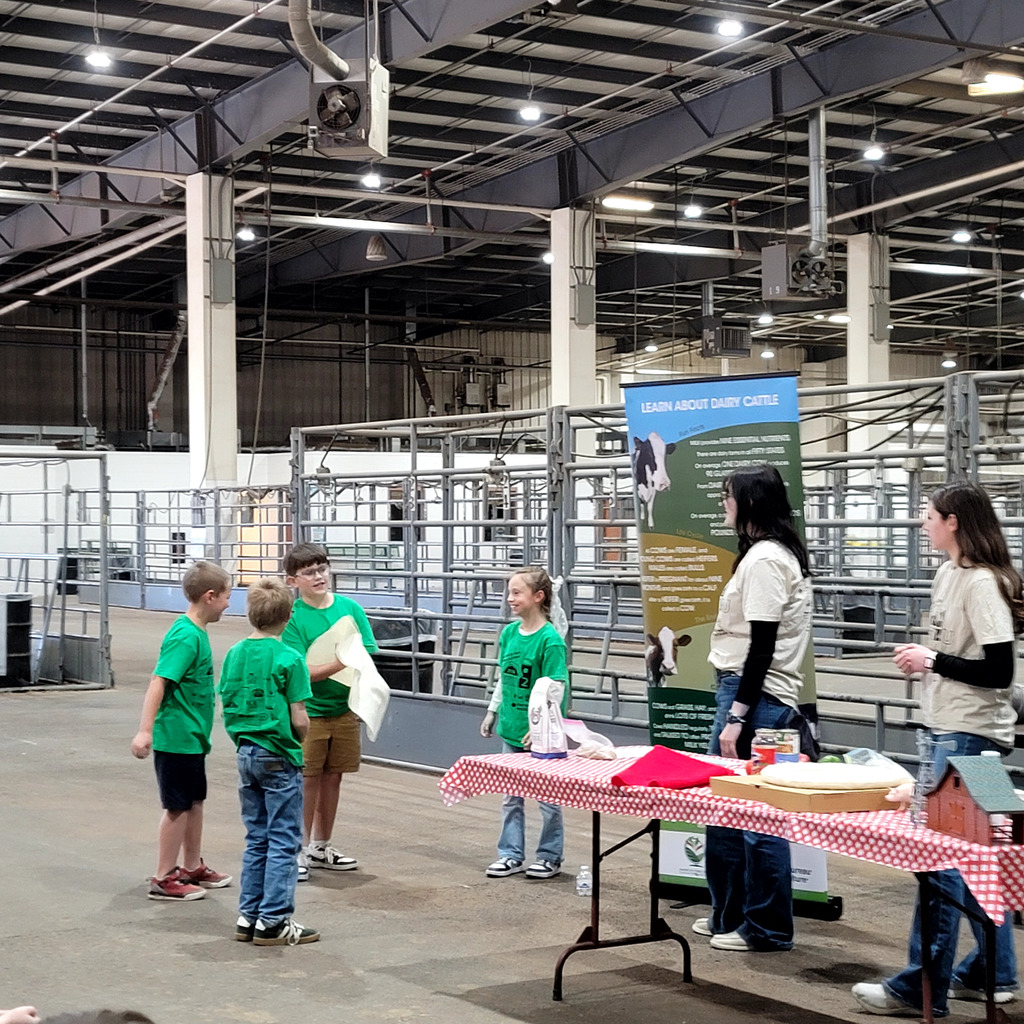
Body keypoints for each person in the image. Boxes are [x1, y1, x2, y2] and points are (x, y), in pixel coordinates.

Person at [853, 481, 1022, 1017]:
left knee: (942, 863)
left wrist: (933, 662)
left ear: (953, 521)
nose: (921, 524)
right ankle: (993, 972)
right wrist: (926, 662)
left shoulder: (980, 583)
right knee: (976, 860)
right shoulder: (948, 574)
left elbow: (999, 670)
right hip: (955, 732)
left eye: (928, 515)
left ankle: (919, 988)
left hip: (970, 739)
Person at [695, 464, 813, 952]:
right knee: (728, 810)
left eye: (728, 496)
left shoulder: (766, 559)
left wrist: (738, 713)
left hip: (758, 700)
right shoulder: (765, 555)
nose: (723, 504)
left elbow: (762, 646)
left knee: (757, 817)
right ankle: (731, 916)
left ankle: (765, 927)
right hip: (750, 694)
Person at [218, 578, 319, 946]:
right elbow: (300, 717)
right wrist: (298, 743)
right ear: (290, 616)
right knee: (284, 839)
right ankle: (275, 918)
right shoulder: (290, 658)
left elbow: (228, 701)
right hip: (278, 753)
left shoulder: (233, 654)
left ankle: (249, 914)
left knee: (257, 835)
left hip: (245, 751)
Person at [130, 560, 233, 900]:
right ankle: (163, 876)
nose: (229, 603)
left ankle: (191, 866)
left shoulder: (198, 632)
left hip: (193, 739)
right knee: (177, 808)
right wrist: (145, 731)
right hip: (176, 738)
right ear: (210, 596)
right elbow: (158, 682)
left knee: (195, 801)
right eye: (227, 596)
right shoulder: (185, 637)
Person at [281, 543, 379, 881]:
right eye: (309, 572)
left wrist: (351, 664)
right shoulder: (293, 618)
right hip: (310, 712)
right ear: (293, 581)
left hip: (345, 708)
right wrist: (342, 661)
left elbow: (366, 651)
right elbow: (300, 669)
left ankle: (321, 846)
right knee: (307, 778)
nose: (319, 576)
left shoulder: (350, 608)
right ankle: (297, 849)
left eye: (322, 568)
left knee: (334, 775)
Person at [480, 566, 570, 880]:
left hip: (541, 736)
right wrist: (493, 711)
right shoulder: (508, 635)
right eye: (510, 592)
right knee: (511, 796)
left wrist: (541, 725)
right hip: (511, 726)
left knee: (547, 798)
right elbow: (505, 679)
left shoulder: (550, 641)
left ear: (538, 596)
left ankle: (549, 856)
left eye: (517, 592)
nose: (510, 599)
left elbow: (556, 687)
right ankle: (510, 854)